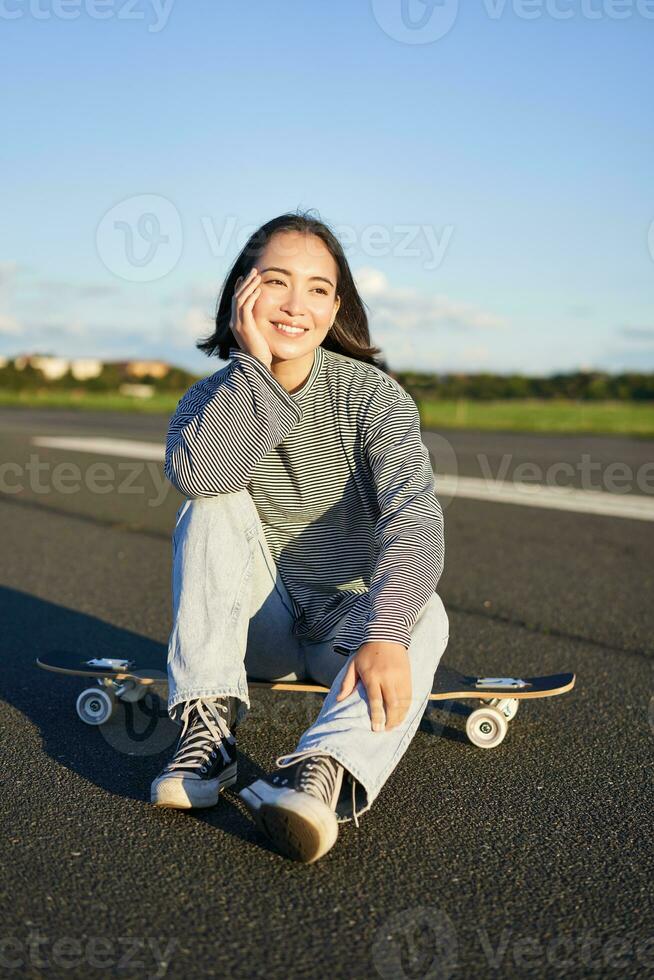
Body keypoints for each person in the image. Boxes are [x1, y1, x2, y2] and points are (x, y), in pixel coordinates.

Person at [150, 210, 450, 863]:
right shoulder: (206, 402)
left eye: (317, 289)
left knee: (423, 610)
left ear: (336, 306)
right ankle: (208, 736)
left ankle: (322, 773)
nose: (296, 305)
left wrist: (385, 632)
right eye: (277, 281)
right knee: (211, 503)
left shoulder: (375, 399)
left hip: (345, 632)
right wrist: (255, 371)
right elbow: (200, 477)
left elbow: (415, 517)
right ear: (242, 293)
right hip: (257, 625)